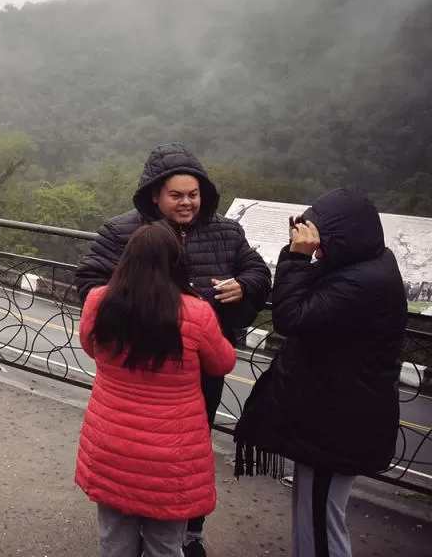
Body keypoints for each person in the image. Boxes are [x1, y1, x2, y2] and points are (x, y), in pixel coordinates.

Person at [73, 142, 270, 557]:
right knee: (138, 448)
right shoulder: (122, 231)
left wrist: (246, 286)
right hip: (137, 361)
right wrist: (137, 310)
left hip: (199, 366)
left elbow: (256, 269)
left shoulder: (226, 231)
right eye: (177, 195)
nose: (187, 203)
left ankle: (187, 531)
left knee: (185, 451)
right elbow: (89, 279)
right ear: (155, 195)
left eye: (194, 195)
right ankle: (152, 536)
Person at [234, 187, 407, 557]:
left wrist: (297, 258)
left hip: (337, 425)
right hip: (332, 417)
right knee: (311, 512)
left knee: (321, 521)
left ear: (343, 237)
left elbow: (290, 318)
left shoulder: (363, 281)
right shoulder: (364, 263)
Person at [76, 221, 237, 557]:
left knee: (113, 543)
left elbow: (90, 347)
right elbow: (222, 363)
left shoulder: (98, 301)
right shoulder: (196, 313)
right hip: (172, 455)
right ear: (177, 263)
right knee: (165, 546)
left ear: (126, 260)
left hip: (112, 445)